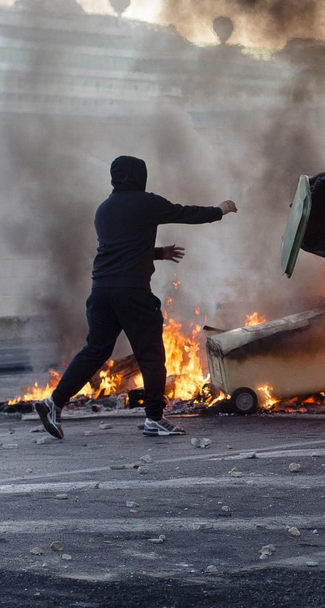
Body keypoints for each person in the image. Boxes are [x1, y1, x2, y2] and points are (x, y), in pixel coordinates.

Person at [35, 155, 236, 439]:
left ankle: (53, 402)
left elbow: (120, 247)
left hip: (101, 292)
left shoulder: (103, 210)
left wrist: (158, 253)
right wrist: (219, 210)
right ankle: (154, 418)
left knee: (95, 350)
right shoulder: (146, 202)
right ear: (138, 176)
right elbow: (184, 213)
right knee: (151, 355)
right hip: (132, 293)